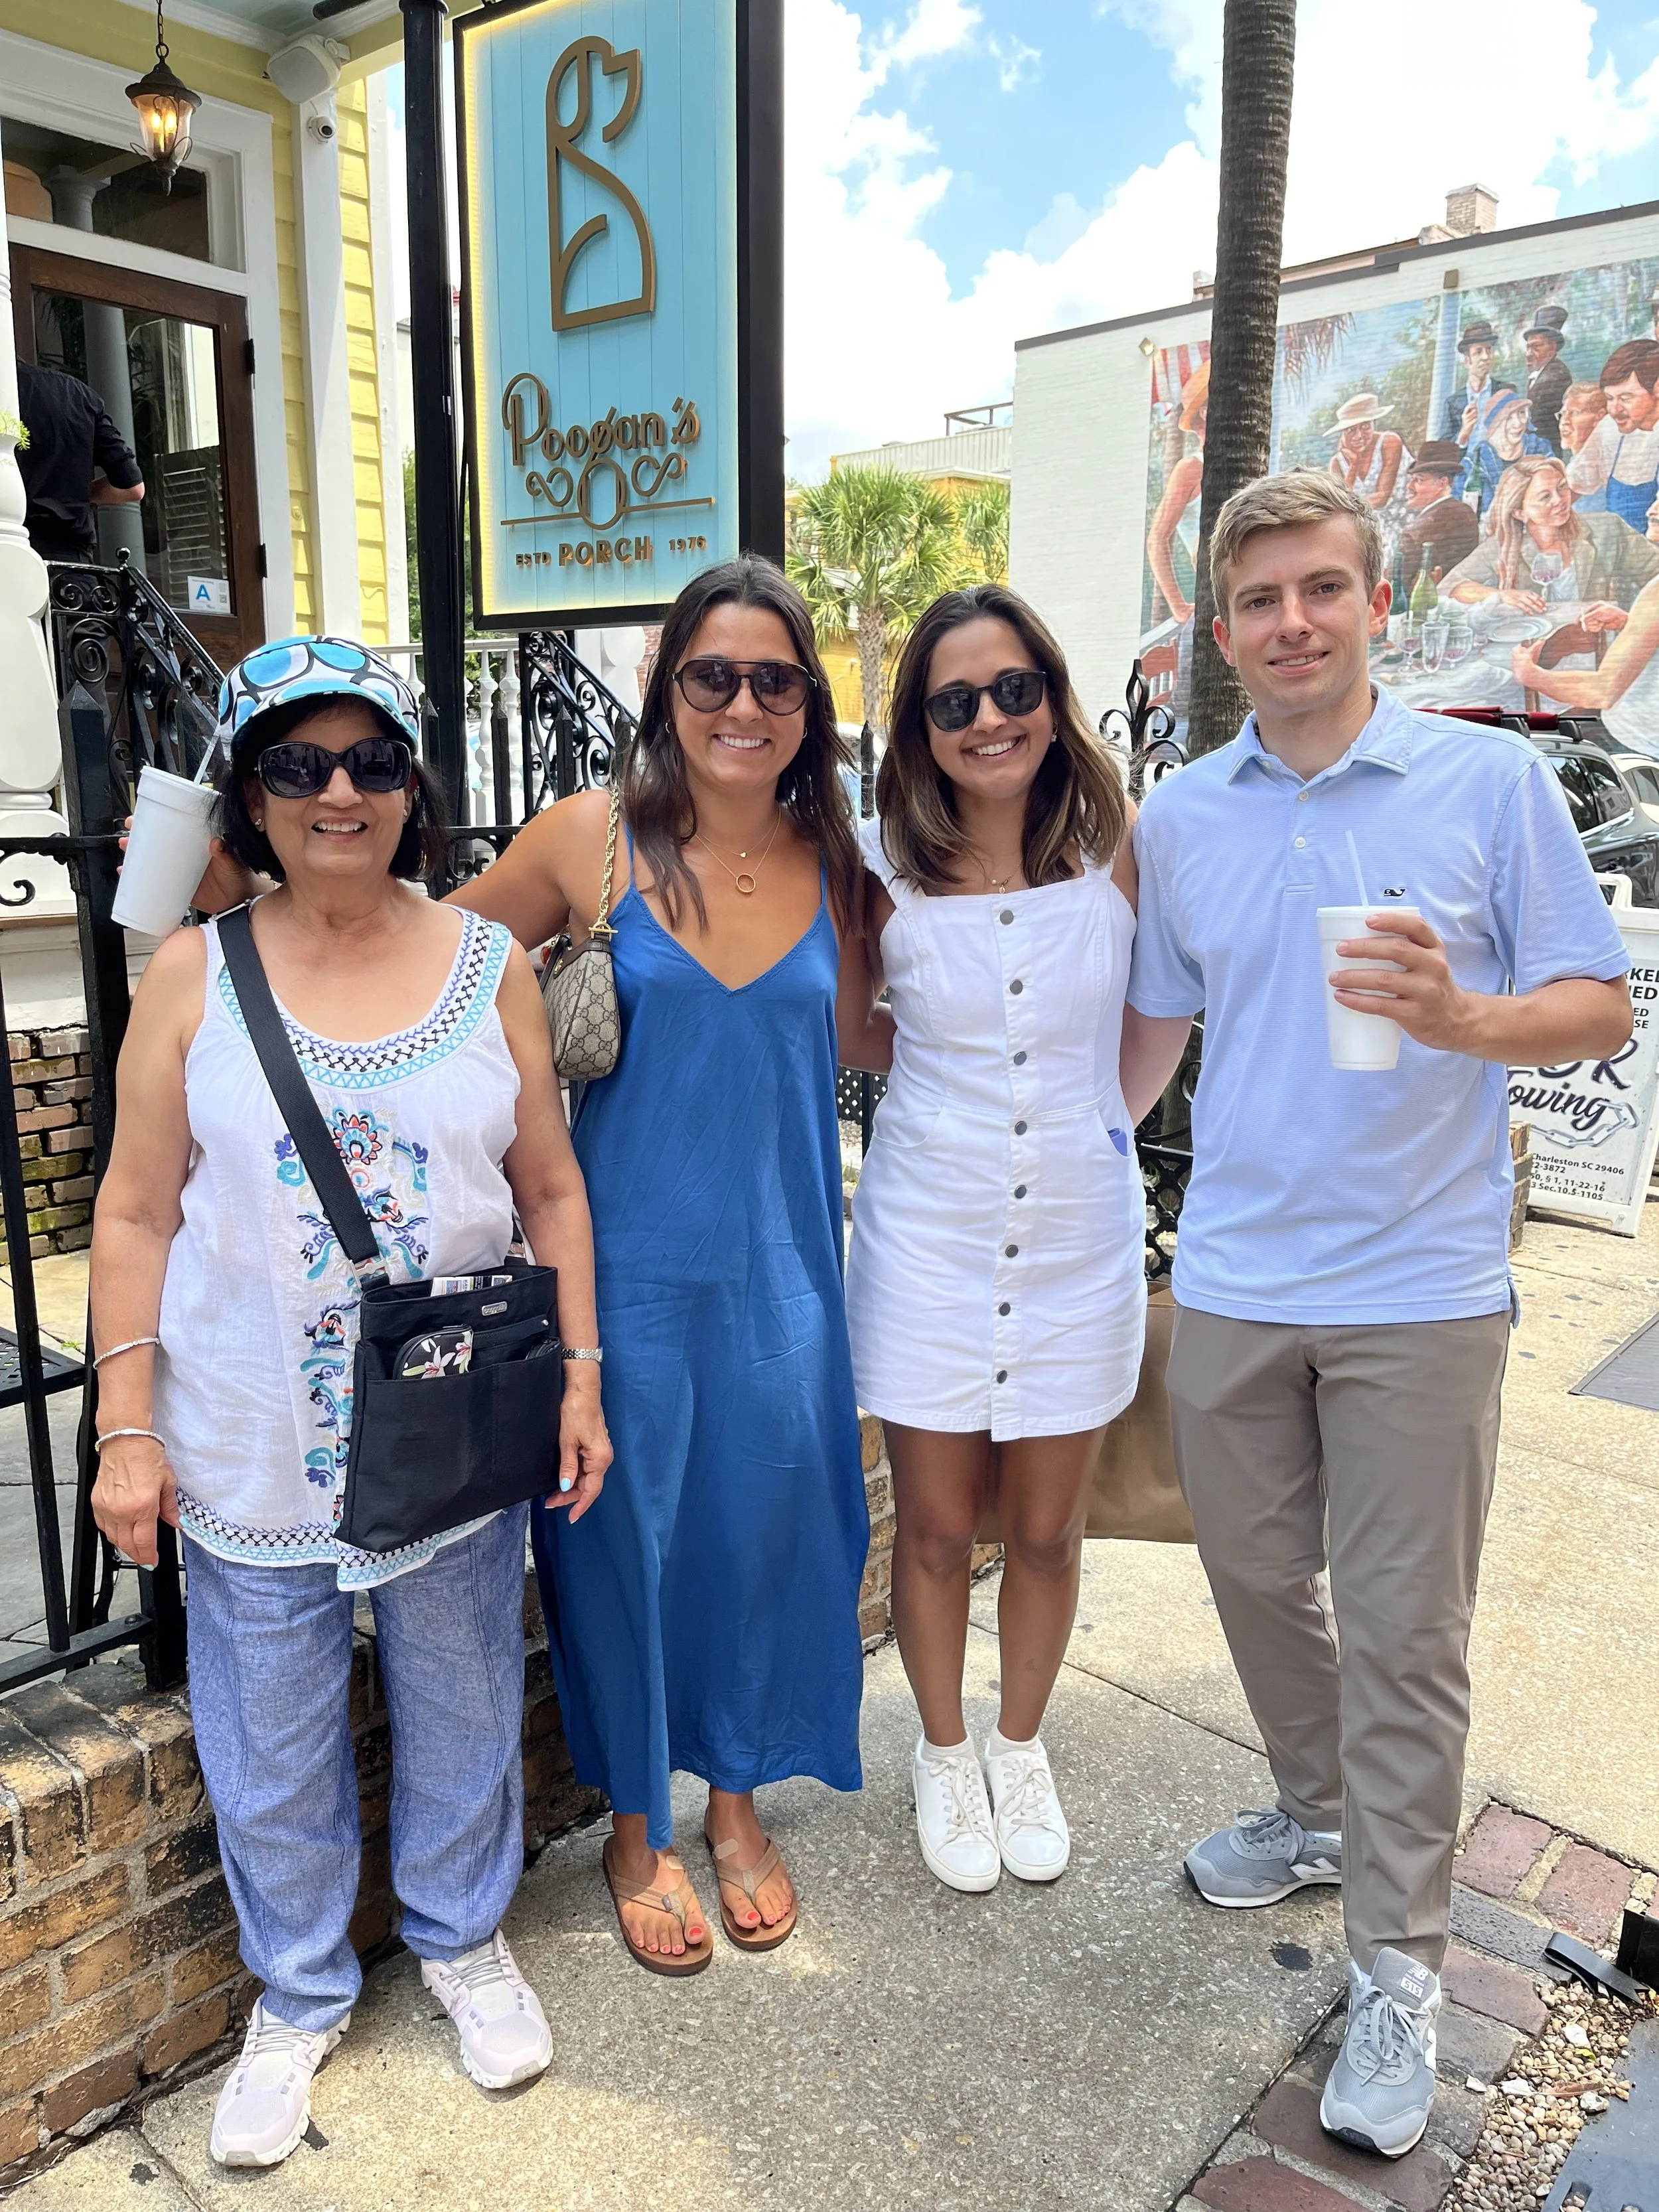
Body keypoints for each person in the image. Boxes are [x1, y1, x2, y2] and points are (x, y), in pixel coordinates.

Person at [1120, 471, 1630, 2161]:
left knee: (1407, 1631)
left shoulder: (1484, 784)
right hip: (1240, 1277)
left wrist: (1466, 1017)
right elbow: (1153, 1037)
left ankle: (1398, 1966)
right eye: (1258, 599)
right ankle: (1323, 1808)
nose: (1291, 623)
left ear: (1373, 601)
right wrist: (1041, 1163)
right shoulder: (1183, 815)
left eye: (1320, 589)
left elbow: (1596, 1003)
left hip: (1419, 1291)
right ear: (1220, 627)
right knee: (1257, 1579)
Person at [88, 636, 611, 2168]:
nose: (340, 792)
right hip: (249, 1422)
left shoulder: (487, 964)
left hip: (448, 1419)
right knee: (270, 1729)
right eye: (300, 765)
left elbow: (552, 1191)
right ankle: (299, 1990)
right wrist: (126, 1424)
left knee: (460, 1690)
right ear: (251, 792)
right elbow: (131, 1213)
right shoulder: (195, 972)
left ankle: (460, 1937)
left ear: (414, 786)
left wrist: (577, 1373)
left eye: (373, 761)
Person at [451, 557, 875, 1972]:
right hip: (621, 1270)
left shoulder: (840, 861)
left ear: (806, 702)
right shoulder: (590, 841)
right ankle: (637, 1823)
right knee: (621, 1549)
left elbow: (888, 1038)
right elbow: (438, 963)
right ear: (664, 686)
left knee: (755, 1536)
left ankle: (737, 1799)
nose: (742, 703)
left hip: (787, 1276)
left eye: (772, 679)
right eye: (713, 674)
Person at [842, 585, 1141, 1893]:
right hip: (926, 1235)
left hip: (1075, 1241)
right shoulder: (871, 860)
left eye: (1012, 688)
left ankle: (1020, 1744)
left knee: (1047, 1527)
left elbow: (1159, 1013)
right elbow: (859, 1031)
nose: (987, 718)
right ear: (918, 724)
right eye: (953, 698)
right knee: (930, 1525)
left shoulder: (1122, 841)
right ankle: (943, 1748)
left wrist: (1087, 1130)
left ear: (1050, 697)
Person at [1442, 455, 1659, 616]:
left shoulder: (1608, 527)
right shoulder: (1504, 546)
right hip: (1535, 646)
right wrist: (1500, 595)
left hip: (1598, 642)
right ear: (1519, 512)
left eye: (1562, 488)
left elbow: (1655, 572)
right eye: (1545, 496)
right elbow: (1447, 587)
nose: (1559, 500)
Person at [1513, 569, 1659, 756]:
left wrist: (1529, 674)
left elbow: (1602, 692)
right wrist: (1634, 625)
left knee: (1515, 752)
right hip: (1643, 738)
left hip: (1634, 745)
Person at [15, 357, 143, 561]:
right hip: (71, 569)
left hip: (12, 558)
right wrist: (75, 493)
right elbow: (132, 487)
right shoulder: (75, 393)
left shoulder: (11, 389)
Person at [1566, 341, 1659, 535]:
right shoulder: (1609, 429)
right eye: (1610, 399)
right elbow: (1573, 484)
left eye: (1626, 398)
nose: (1615, 410)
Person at [1326, 396, 1411, 561]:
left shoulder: (1390, 442)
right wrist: (1353, 467)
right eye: (1351, 430)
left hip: (1401, 519)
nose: (1359, 436)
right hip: (1365, 525)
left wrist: (1348, 508)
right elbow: (1339, 507)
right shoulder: (1337, 462)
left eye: (1365, 427)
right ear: (1342, 433)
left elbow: (1382, 497)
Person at [1396, 443, 1477, 591]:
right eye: (1412, 479)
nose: (1410, 486)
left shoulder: (1420, 529)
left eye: (1419, 480)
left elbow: (1398, 583)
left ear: (1442, 483)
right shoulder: (1466, 511)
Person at [1461, 390, 1551, 521]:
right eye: (1509, 418)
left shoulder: (1540, 447)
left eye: (1521, 413)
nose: (1519, 423)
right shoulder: (1475, 461)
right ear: (1494, 424)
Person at [1438, 320, 1514, 448]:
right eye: (1478, 352)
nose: (1486, 357)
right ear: (1468, 361)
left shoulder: (1506, 392)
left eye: (1489, 350)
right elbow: (1443, 449)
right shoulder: (1453, 403)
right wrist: (1464, 433)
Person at [1522, 307, 1573, 456]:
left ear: (1552, 348)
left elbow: (1535, 418)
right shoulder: (1539, 374)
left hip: (1546, 452)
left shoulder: (1555, 376)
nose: (1529, 354)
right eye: (1528, 348)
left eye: (1536, 347)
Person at [1559, 382, 1610, 510]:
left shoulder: (1602, 471)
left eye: (1575, 413)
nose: (1565, 421)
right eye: (1563, 414)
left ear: (1600, 416)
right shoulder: (1570, 470)